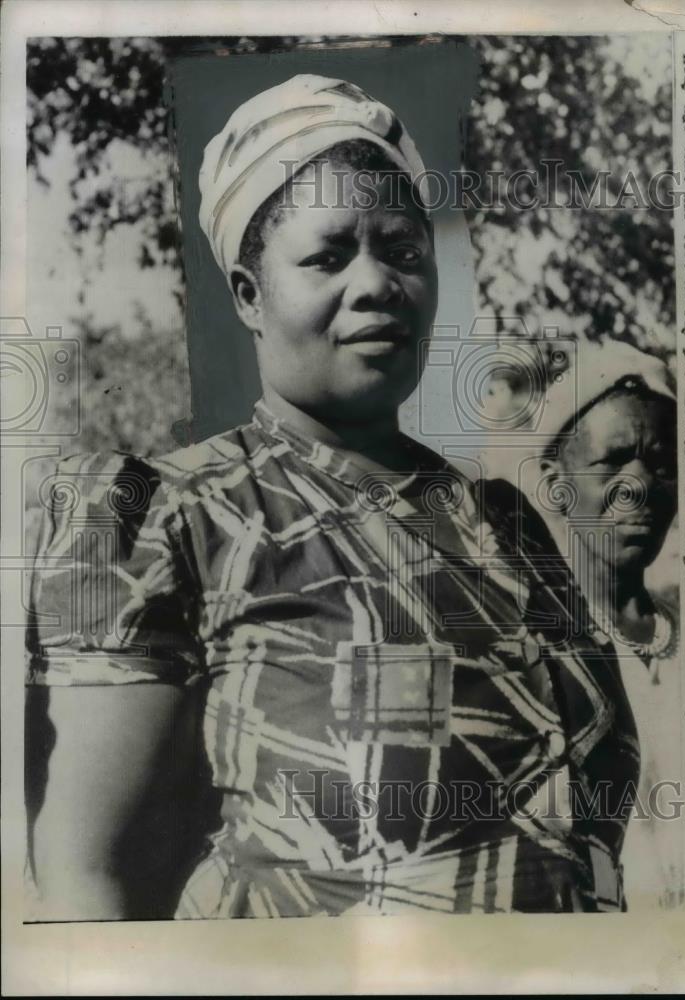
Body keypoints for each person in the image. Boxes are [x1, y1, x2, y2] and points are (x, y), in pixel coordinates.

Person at [25, 75, 639, 920]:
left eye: (402, 249)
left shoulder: (501, 519)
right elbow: (85, 877)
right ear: (249, 293)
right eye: (328, 254)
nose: (377, 282)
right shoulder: (162, 516)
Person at [487, 339, 683, 910]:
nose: (640, 485)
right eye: (610, 461)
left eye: (663, 465)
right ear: (554, 483)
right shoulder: (529, 654)